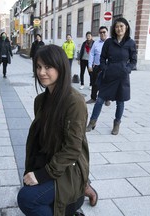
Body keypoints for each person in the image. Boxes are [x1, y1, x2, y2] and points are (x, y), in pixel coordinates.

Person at [17, 45, 98, 216]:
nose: (41, 72)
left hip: (69, 167)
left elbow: (72, 149)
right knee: (30, 190)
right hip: (49, 160)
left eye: (48, 67)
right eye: (38, 67)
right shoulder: (40, 100)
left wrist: (42, 175)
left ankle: (82, 188)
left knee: (27, 199)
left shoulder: (74, 102)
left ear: (60, 68)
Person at [86, 17, 137, 135]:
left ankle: (117, 124)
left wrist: (127, 69)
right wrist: (104, 68)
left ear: (126, 27)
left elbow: (134, 61)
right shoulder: (109, 42)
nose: (119, 29)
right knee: (99, 100)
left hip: (122, 77)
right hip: (108, 75)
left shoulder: (130, 43)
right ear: (114, 29)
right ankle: (92, 122)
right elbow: (102, 57)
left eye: (121, 26)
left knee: (120, 101)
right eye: (117, 26)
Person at [86, 26, 108, 104]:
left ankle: (107, 99)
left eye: (104, 32)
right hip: (97, 66)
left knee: (107, 83)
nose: (102, 34)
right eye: (101, 32)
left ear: (107, 32)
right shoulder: (96, 43)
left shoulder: (110, 42)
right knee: (95, 83)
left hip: (107, 67)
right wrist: (89, 65)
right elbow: (91, 54)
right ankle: (93, 98)